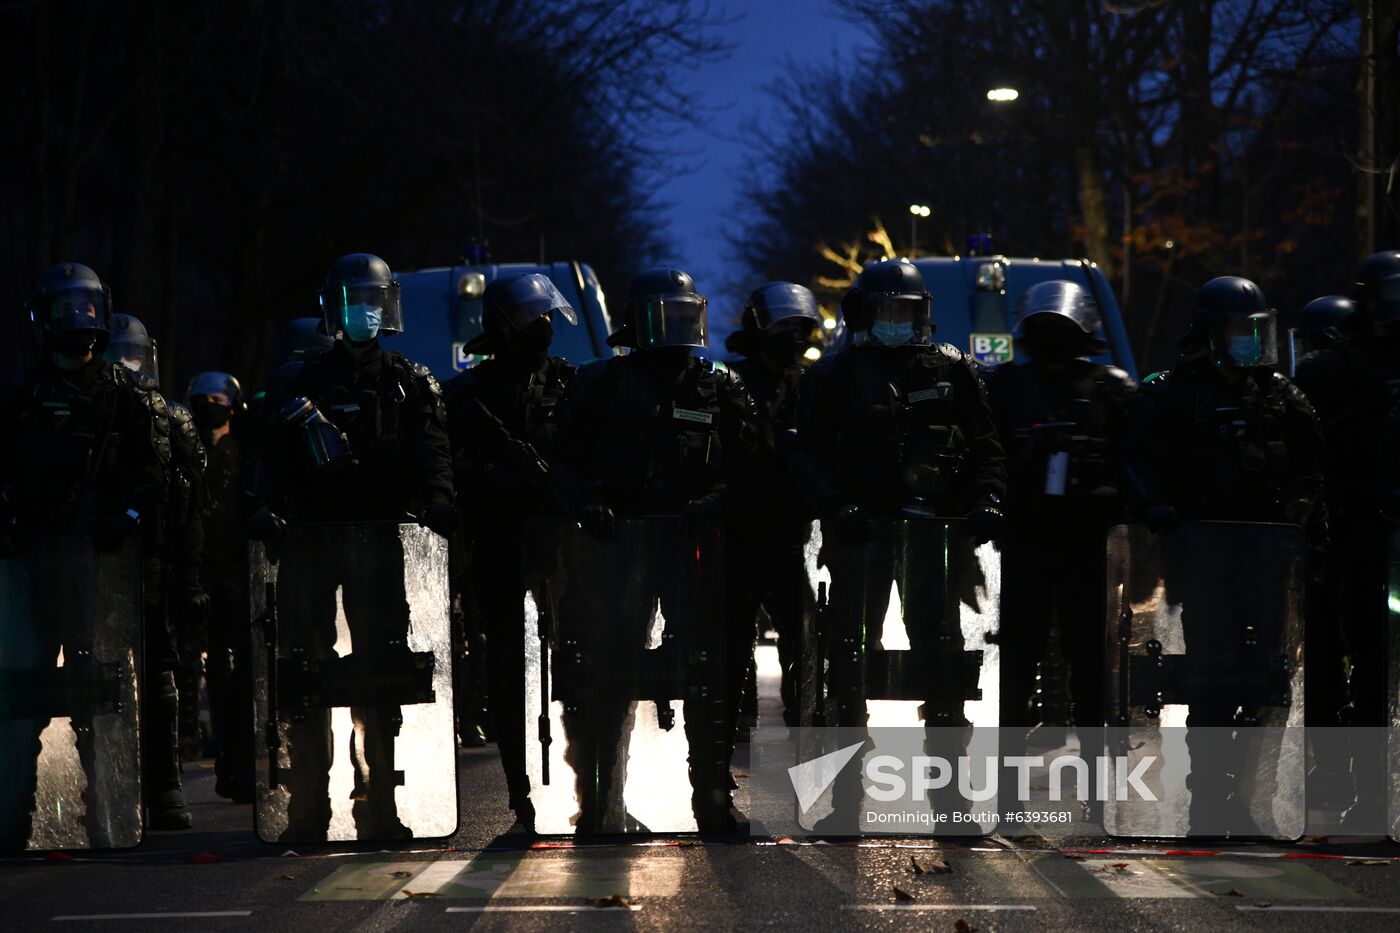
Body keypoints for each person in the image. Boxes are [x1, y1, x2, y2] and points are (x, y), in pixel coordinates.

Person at [248, 252, 456, 841]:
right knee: (303, 673)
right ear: (333, 310)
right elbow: (266, 458)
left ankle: (380, 805)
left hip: (382, 542)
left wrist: (439, 500)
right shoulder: (298, 380)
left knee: (381, 671)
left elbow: (433, 453)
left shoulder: (410, 381)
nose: (366, 312)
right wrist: (260, 506)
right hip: (309, 542)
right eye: (354, 301)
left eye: (375, 300)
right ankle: (308, 808)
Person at [551, 267, 762, 833]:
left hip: (694, 547)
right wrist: (588, 502)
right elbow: (559, 461)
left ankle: (713, 798)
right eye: (661, 314)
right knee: (609, 671)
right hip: (617, 546)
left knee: (706, 673)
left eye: (682, 312)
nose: (674, 327)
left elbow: (754, 465)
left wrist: (718, 498)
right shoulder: (598, 382)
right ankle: (601, 800)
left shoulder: (719, 384)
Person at [1125, 275, 1325, 834]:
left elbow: (1314, 468)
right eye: (1240, 329)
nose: (1250, 340)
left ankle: (1246, 799)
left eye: (1256, 329)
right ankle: (1207, 801)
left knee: (1264, 681)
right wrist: (1156, 509)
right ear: (1213, 332)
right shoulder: (1169, 391)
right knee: (1211, 681)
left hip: (1266, 561)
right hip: (1203, 561)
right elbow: (1136, 465)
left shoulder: (1278, 393)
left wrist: (1309, 520)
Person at [0, 263, 179, 843]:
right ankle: (11, 822)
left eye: (87, 307)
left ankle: (110, 817)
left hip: (100, 576)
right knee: (21, 697)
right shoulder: (22, 398)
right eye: (66, 309)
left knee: (101, 697)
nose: (79, 320)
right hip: (30, 570)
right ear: (42, 318)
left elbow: (154, 477)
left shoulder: (128, 398)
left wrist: (123, 519)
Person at [790, 258, 1006, 731]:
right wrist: (836, 505)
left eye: (903, 311)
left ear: (921, 313)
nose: (894, 321)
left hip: (934, 537)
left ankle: (948, 780)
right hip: (858, 535)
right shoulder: (833, 376)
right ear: (864, 314)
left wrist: (987, 499)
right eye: (884, 311)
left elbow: (987, 446)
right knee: (850, 652)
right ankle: (847, 774)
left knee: (941, 648)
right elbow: (806, 456)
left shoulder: (952, 369)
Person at [984, 280, 1134, 820]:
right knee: (1020, 666)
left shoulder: (1108, 387)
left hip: (1084, 544)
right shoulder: (1004, 386)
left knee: (1089, 667)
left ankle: (1096, 790)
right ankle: (1010, 789)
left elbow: (1136, 462)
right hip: (1026, 542)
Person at [443, 273, 578, 833]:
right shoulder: (469, 395)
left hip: (563, 543)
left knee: (574, 658)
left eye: (546, 316)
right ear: (503, 326)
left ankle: (584, 780)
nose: (542, 327)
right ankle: (517, 791)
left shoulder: (573, 384)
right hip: (498, 540)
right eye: (530, 318)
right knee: (507, 664)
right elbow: (442, 466)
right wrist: (495, 474)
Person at [1294, 252, 1400, 828]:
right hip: (1354, 535)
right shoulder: (1336, 368)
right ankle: (1356, 782)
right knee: (1356, 659)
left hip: (1378, 535)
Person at [724, 282, 825, 728]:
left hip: (794, 529)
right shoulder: (730, 382)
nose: (797, 337)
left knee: (803, 630)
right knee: (732, 627)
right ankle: (733, 718)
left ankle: (803, 713)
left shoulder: (811, 385)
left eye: (803, 328)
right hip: (739, 526)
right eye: (786, 327)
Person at [186, 371, 255, 802]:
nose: (212, 404)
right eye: (204, 398)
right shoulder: (186, 452)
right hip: (194, 571)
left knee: (236, 673)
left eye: (219, 398)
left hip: (234, 571)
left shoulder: (245, 454)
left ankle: (238, 762)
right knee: (194, 668)